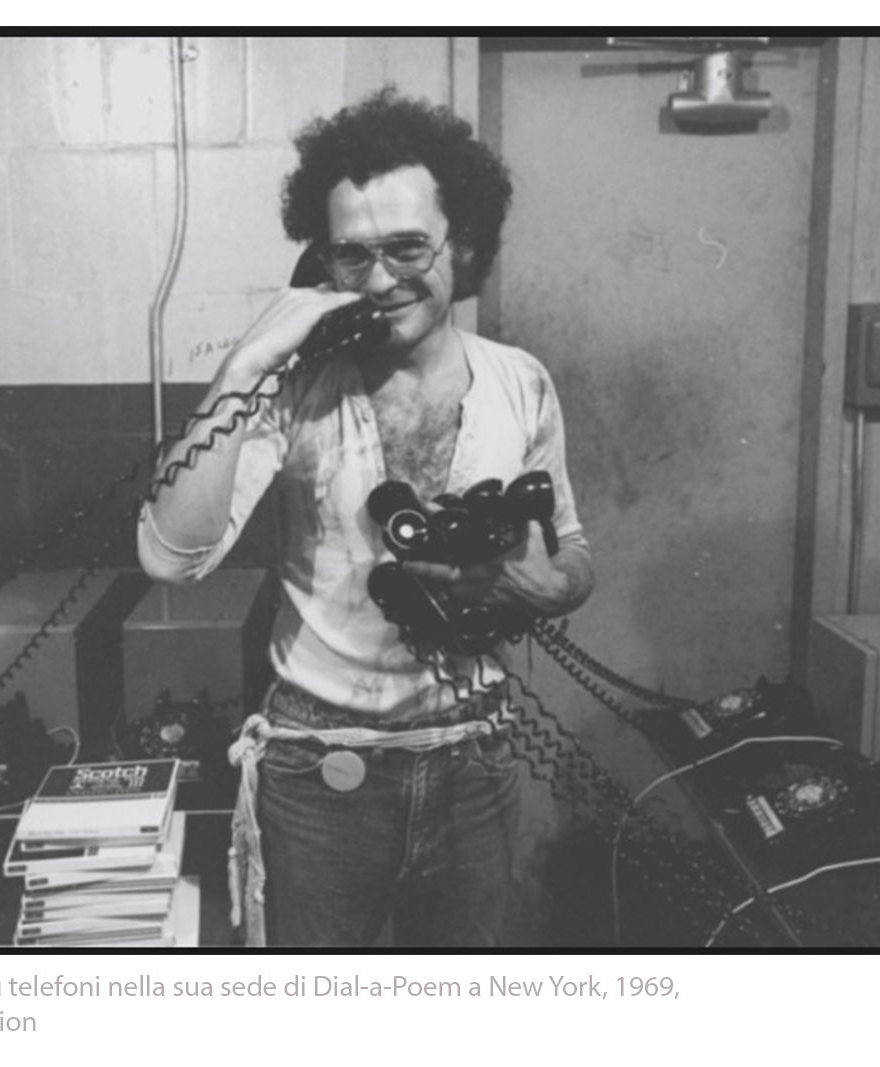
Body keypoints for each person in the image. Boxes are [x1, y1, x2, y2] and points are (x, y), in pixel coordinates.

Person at [137, 88, 593, 947]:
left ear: (463, 242)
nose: (381, 280)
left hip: (474, 760)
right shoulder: (296, 390)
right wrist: (246, 365)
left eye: (408, 247)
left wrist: (549, 585)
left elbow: (572, 550)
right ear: (323, 264)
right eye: (352, 256)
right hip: (321, 769)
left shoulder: (521, 381)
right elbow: (171, 555)